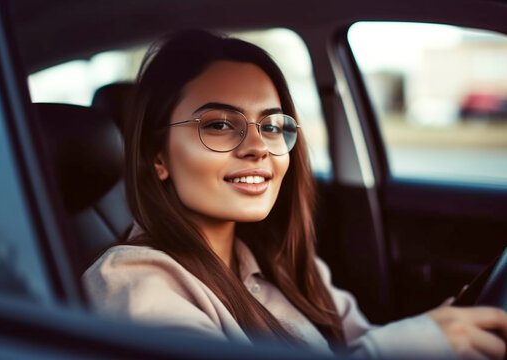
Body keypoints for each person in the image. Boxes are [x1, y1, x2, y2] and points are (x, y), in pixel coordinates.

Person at [82, 29, 507, 358]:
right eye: (218, 124)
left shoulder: (287, 264)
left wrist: (451, 330)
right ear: (158, 156)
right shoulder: (132, 282)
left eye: (271, 125)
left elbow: (361, 341)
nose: (258, 147)